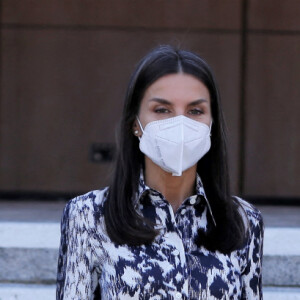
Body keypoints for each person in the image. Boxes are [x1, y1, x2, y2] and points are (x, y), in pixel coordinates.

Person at [56, 45, 264, 299]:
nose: (179, 123)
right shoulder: (89, 215)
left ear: (212, 124)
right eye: (162, 110)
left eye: (195, 111)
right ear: (136, 123)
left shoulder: (243, 220)